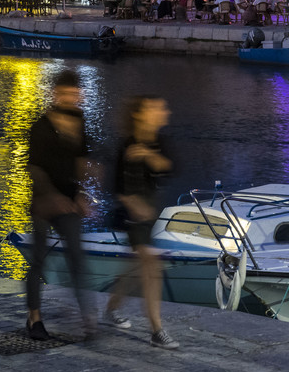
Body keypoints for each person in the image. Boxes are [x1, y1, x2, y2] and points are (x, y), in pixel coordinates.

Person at [102, 97, 179, 349]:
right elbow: (116, 186)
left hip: (149, 214)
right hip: (131, 215)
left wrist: (148, 154)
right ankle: (157, 330)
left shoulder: (158, 142)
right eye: (155, 108)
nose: (162, 112)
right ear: (139, 114)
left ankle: (111, 308)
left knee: (135, 269)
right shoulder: (126, 145)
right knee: (151, 264)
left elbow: (170, 167)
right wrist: (133, 204)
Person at [25, 69, 95, 341]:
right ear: (55, 94)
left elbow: (82, 159)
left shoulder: (79, 120)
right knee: (38, 260)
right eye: (66, 94)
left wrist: (81, 194)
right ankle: (34, 318)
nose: (71, 99)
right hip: (44, 202)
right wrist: (54, 197)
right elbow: (34, 169)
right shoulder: (41, 126)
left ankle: (88, 318)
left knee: (77, 257)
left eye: (75, 94)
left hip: (69, 202)